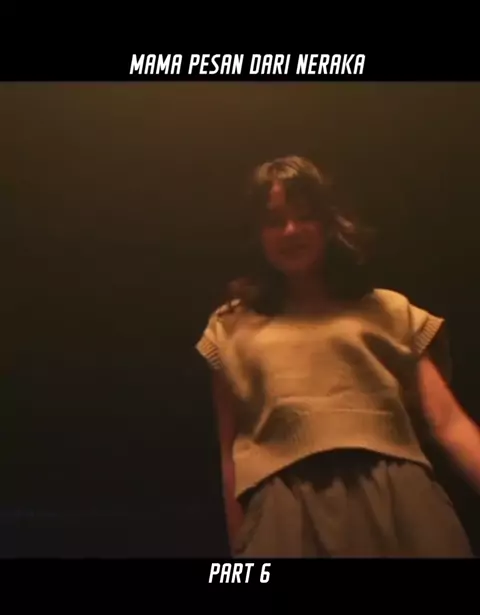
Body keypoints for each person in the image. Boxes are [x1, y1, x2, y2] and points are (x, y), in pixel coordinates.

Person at [195, 155, 479, 557]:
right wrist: (239, 556)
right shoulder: (230, 325)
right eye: (274, 221)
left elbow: (448, 422)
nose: (291, 230)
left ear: (328, 223)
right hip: (284, 512)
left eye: (305, 216)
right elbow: (229, 454)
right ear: (257, 234)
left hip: (400, 500)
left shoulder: (389, 310)